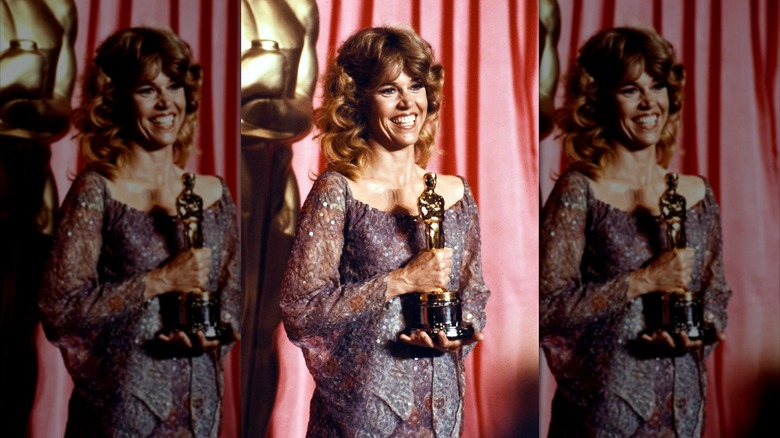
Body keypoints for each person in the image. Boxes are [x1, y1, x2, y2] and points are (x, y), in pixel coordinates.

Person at [280, 26, 490, 436]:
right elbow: (301, 309)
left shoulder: (454, 193)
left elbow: (474, 292)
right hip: (361, 415)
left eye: (416, 86)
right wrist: (401, 281)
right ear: (359, 100)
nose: (408, 102)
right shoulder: (338, 191)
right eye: (389, 90)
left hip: (440, 411)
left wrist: (457, 330)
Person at [38, 27, 240, 437]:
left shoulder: (214, 193)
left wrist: (215, 332)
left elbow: (230, 298)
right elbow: (60, 309)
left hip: (199, 411)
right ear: (116, 99)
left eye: (174, 86)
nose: (166, 102)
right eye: (148, 90)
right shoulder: (97, 191)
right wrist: (160, 280)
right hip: (119, 413)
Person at [540, 26, 731, 437]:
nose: (649, 102)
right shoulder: (580, 190)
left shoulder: (697, 193)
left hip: (682, 408)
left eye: (657, 86)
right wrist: (644, 280)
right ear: (599, 99)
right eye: (630, 89)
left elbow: (715, 292)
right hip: (603, 412)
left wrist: (699, 330)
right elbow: (547, 309)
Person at [239, 1, 319, 436]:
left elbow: (302, 112)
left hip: (274, 179)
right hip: (223, 173)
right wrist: (258, 82)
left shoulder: (300, 7)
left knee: (262, 333)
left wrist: (252, 96)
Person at [0, 0, 76, 434]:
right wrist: (18, 79)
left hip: (31, 188)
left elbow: (59, 107)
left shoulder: (57, 6)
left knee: (19, 342)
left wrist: (18, 96)